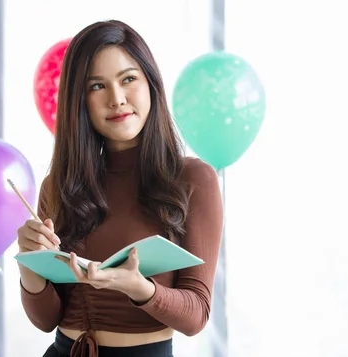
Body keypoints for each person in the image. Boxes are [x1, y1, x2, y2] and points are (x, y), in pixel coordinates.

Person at [16, 19, 223, 357]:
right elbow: (45, 319)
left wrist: (140, 289)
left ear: (151, 85)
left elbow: (196, 314)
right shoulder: (58, 185)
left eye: (128, 79)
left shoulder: (193, 179)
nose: (117, 99)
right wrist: (29, 265)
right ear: (78, 101)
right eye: (96, 86)